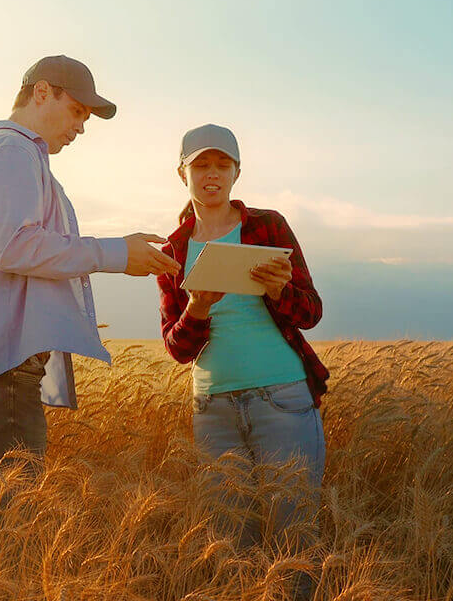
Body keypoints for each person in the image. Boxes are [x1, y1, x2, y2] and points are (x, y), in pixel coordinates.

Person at [0, 55, 181, 486]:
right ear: (42, 92)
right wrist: (116, 254)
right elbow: (12, 245)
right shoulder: (14, 152)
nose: (81, 126)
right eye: (77, 110)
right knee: (10, 535)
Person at [156, 124, 329, 596]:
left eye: (222, 165)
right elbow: (177, 348)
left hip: (284, 398)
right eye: (201, 165)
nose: (211, 174)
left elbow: (310, 312)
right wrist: (198, 307)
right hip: (212, 407)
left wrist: (278, 289)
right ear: (182, 173)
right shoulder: (173, 249)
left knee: (294, 536)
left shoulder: (268, 226)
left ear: (236, 173)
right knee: (232, 541)